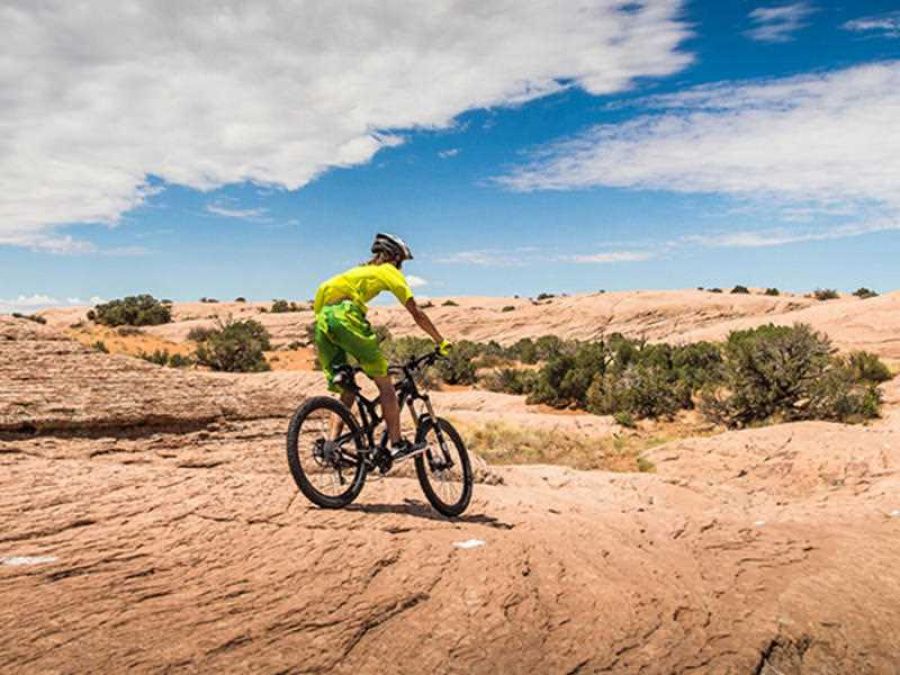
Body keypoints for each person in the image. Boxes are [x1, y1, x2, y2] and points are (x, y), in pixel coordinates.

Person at [313, 232, 451, 457]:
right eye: (401, 262)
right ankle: (396, 444)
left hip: (322, 324)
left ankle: (332, 447)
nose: (401, 267)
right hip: (346, 319)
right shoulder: (387, 271)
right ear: (394, 257)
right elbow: (416, 311)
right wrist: (440, 340)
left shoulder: (357, 271)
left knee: (347, 389)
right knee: (385, 384)